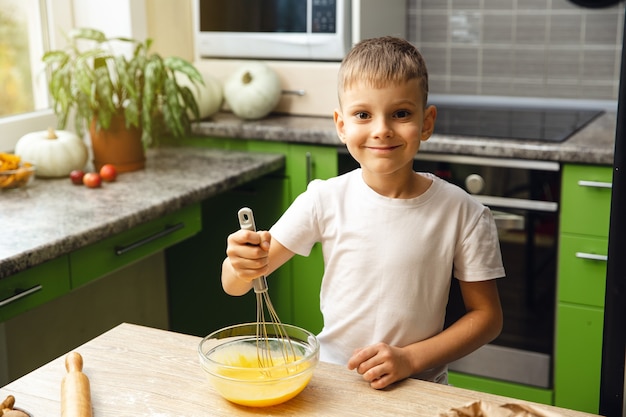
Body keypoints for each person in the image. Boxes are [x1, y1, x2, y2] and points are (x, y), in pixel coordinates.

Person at [221, 36, 504, 390]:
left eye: (400, 113)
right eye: (363, 115)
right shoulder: (324, 199)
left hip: (420, 388)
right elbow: (237, 283)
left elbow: (487, 317)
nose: (381, 129)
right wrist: (239, 262)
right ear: (342, 125)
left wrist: (410, 359)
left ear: (426, 122)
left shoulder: (464, 213)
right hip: (337, 385)